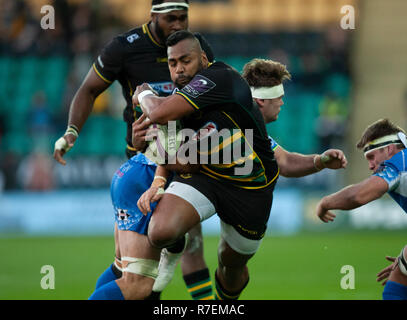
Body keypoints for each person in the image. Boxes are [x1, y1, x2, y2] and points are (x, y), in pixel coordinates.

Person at [138, 56, 348, 299]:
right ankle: (168, 255)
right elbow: (176, 152)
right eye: (277, 97)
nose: (282, 101)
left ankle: (222, 302)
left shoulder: (253, 132)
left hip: (244, 199)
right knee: (162, 231)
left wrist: (319, 161)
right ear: (259, 101)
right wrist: (157, 173)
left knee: (231, 263)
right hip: (206, 183)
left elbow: (286, 161)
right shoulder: (216, 119)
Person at [54, 0, 215, 300]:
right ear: (153, 16)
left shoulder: (194, 47)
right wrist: (72, 131)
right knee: (143, 273)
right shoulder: (124, 48)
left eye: (184, 18)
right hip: (145, 161)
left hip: (179, 159)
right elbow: (89, 89)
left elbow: (208, 99)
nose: (178, 25)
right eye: (171, 19)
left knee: (146, 261)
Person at [316, 118, 407, 300]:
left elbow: (358, 195)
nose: (371, 166)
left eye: (372, 156)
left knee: (400, 277)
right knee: (401, 275)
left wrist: (325, 202)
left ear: (389, 148)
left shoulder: (398, 163)